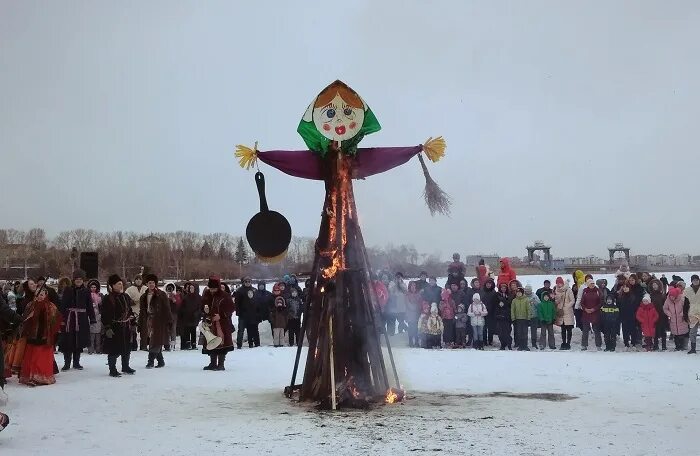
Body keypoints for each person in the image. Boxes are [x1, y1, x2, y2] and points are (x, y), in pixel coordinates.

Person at [18, 286, 62, 386]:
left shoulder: (51, 306)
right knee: (31, 357)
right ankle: (31, 376)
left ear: (46, 295)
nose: (39, 297)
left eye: (42, 294)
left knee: (41, 358)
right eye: (37, 294)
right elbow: (25, 318)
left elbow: (57, 320)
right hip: (32, 336)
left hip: (45, 337)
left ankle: (41, 377)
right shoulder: (30, 305)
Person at [59, 269, 96, 371]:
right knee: (68, 341)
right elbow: (63, 305)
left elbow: (89, 306)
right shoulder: (68, 290)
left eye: (80, 279)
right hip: (69, 319)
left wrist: (92, 318)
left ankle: (76, 362)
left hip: (81, 319)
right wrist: (61, 318)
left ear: (83, 280)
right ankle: (67, 363)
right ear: (74, 280)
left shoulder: (86, 291)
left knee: (78, 341)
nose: (78, 281)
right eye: (77, 279)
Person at [101, 275, 136, 377]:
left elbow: (129, 310)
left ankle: (125, 366)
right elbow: (105, 314)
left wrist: (133, 321)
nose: (121, 285)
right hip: (114, 327)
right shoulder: (108, 298)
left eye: (121, 283)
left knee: (127, 348)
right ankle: (112, 369)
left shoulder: (125, 296)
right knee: (114, 349)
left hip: (126, 326)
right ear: (112, 285)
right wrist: (107, 327)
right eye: (118, 284)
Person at [201, 276, 235, 370]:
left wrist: (221, 315)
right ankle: (212, 363)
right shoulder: (207, 294)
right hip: (210, 322)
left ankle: (221, 364)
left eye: (214, 289)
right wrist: (204, 309)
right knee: (211, 341)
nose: (212, 290)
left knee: (221, 343)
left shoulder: (225, 295)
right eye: (211, 288)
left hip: (222, 323)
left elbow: (231, 308)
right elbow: (202, 304)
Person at [139, 274, 172, 368]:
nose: (151, 284)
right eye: (149, 283)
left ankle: (150, 361)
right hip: (148, 320)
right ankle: (161, 361)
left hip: (159, 321)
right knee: (153, 340)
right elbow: (142, 311)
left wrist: (169, 321)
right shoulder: (144, 296)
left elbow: (167, 309)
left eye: (153, 283)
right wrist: (140, 323)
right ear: (147, 284)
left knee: (155, 341)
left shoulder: (161, 295)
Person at [234, 277, 258, 349]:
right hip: (242, 314)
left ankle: (251, 344)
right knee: (241, 331)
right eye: (246, 281)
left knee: (250, 330)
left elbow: (256, 302)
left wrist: (256, 312)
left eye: (249, 281)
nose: (247, 283)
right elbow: (237, 303)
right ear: (243, 282)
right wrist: (238, 313)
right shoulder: (239, 291)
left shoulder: (254, 290)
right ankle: (239, 345)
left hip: (251, 314)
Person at [664, 286, 690, 351]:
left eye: (673, 296)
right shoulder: (668, 300)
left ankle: (682, 345)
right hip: (673, 319)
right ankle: (677, 346)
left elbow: (686, 307)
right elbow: (665, 308)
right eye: (670, 296)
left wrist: (683, 313)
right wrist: (669, 314)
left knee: (682, 333)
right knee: (675, 334)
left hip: (681, 319)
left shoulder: (682, 299)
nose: (671, 297)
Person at [579, 279, 602, 351]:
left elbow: (601, 302)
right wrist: (585, 309)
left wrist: (594, 309)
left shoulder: (598, 291)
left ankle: (598, 345)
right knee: (585, 330)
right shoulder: (585, 291)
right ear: (588, 284)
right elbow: (582, 302)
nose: (592, 284)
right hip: (586, 313)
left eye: (593, 283)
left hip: (595, 313)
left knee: (597, 330)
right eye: (591, 283)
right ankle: (584, 345)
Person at [125, 275, 147, 351]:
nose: (138, 281)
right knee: (132, 330)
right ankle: (133, 345)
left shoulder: (145, 288)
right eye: (137, 279)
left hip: (143, 311)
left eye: (140, 279)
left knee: (144, 330)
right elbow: (125, 298)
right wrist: (131, 302)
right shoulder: (130, 289)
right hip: (133, 311)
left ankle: (143, 346)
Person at [178, 283, 202, 350]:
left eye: (192, 288)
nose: (191, 289)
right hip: (186, 317)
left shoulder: (199, 297)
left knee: (193, 330)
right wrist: (183, 312)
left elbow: (200, 307)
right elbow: (182, 307)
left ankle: (193, 344)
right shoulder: (186, 297)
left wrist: (197, 313)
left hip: (194, 317)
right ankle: (187, 344)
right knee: (187, 330)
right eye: (190, 288)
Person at [554, 277, 575, 350]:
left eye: (560, 283)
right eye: (557, 283)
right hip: (560, 312)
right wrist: (557, 299)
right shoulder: (556, 290)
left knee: (569, 329)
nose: (559, 285)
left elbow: (572, 300)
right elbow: (556, 301)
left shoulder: (568, 290)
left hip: (568, 312)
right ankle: (563, 342)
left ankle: (568, 343)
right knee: (563, 329)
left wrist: (566, 307)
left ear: (562, 283)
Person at [618, 282, 640, 351]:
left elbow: (636, 307)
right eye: (624, 287)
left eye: (626, 287)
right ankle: (626, 343)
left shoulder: (633, 296)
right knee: (625, 331)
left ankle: (633, 343)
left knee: (633, 330)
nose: (625, 288)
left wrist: (636, 316)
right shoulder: (620, 296)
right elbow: (619, 307)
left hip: (633, 316)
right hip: (624, 316)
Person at [648, 278, 668, 351]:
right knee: (655, 331)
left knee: (663, 330)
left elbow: (665, 304)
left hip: (662, 315)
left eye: (656, 285)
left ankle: (664, 345)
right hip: (653, 315)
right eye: (653, 285)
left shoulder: (662, 295)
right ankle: (655, 345)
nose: (655, 286)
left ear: (659, 285)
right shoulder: (651, 295)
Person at [685, 274, 700, 354]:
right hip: (692, 313)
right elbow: (686, 304)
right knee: (692, 332)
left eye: (697, 280)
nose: (695, 281)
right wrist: (685, 314)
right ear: (691, 281)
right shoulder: (687, 290)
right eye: (694, 280)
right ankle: (693, 348)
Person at [494, 285, 512, 350]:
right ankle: (502, 344)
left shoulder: (509, 296)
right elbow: (496, 308)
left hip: (507, 319)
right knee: (500, 333)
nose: (503, 289)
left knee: (507, 332)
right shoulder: (497, 295)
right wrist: (498, 316)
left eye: (505, 288)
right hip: (500, 319)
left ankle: (509, 344)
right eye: (502, 288)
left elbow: (510, 307)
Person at [481, 279, 498, 346]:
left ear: (492, 285)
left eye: (489, 284)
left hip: (491, 313)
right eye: (487, 284)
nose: (488, 285)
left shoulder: (494, 292)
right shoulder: (482, 292)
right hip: (483, 312)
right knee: (484, 328)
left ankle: (490, 340)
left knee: (490, 328)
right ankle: (484, 341)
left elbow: (495, 303)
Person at [87, 279, 103, 355]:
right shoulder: (88, 295)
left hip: (98, 315)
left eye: (94, 287)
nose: (93, 288)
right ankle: (90, 348)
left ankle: (98, 348)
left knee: (98, 333)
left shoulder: (99, 295)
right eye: (92, 287)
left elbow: (101, 305)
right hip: (90, 315)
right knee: (91, 333)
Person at [405, 281, 422, 348]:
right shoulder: (407, 294)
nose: (413, 287)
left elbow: (420, 303)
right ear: (409, 286)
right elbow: (407, 303)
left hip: (417, 313)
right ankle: (410, 341)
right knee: (411, 328)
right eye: (411, 285)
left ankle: (417, 341)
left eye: (414, 285)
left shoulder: (418, 294)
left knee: (417, 328)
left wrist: (418, 308)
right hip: (410, 313)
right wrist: (413, 307)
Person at [524, 285, 539, 349]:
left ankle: (534, 343)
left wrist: (534, 302)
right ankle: (525, 342)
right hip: (526, 316)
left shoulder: (534, 296)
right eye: (526, 291)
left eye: (529, 291)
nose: (528, 292)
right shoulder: (523, 297)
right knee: (525, 330)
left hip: (534, 316)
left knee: (534, 331)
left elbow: (539, 305)